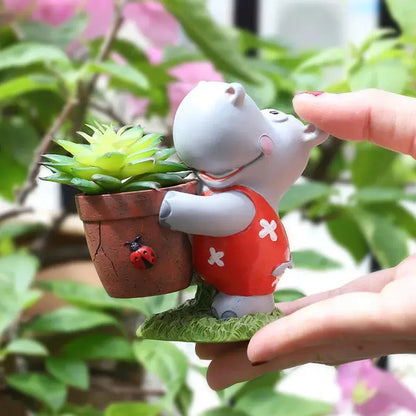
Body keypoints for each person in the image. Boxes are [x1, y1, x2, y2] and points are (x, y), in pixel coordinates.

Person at [195, 89, 416, 390]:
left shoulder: (244, 203)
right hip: (234, 265)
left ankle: (246, 301)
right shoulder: (236, 192)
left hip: (250, 272)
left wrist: (174, 209)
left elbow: (204, 214)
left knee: (247, 292)